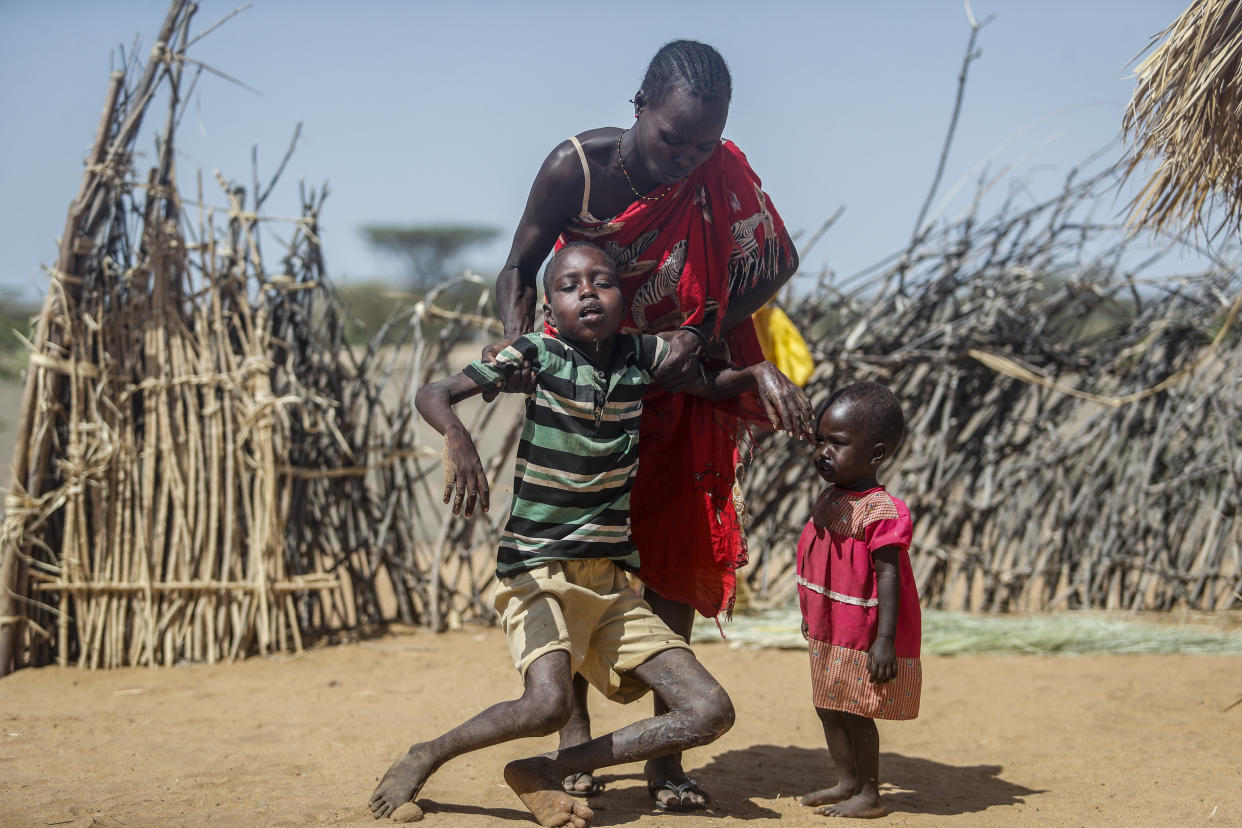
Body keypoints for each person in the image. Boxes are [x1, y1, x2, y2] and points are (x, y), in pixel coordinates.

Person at [487, 38, 812, 810]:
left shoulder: (717, 172)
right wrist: (517, 342)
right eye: (674, 138)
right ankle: (572, 743)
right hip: (594, 383)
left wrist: (703, 331)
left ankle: (667, 760)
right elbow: (518, 266)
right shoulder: (578, 169)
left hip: (686, 380)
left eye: (705, 142)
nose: (689, 158)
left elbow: (777, 260)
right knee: (575, 553)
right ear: (639, 108)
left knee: (672, 550)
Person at [370, 243, 789, 826]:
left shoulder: (640, 357)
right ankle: (428, 753)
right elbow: (433, 393)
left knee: (709, 710)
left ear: (624, 299)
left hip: (608, 580)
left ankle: (547, 768)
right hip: (537, 569)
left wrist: (762, 370)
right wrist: (457, 440)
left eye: (602, 282)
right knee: (547, 702)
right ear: (549, 308)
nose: (587, 292)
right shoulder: (537, 353)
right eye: (569, 286)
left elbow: (711, 383)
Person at [796, 382, 921, 819]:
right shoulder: (833, 497)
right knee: (828, 703)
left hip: (863, 634)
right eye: (819, 440)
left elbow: (891, 579)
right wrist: (810, 614)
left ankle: (870, 793)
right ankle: (846, 781)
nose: (822, 452)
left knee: (856, 710)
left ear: (876, 454)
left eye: (838, 443)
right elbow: (818, 560)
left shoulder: (882, 512)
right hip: (832, 627)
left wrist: (884, 641)